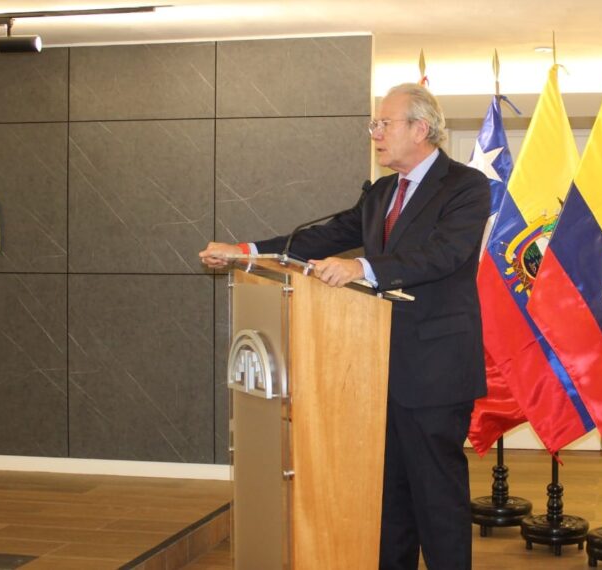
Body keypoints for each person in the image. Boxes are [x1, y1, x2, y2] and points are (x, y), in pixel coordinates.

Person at [200, 82, 490, 569]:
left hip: (435, 370)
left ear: (421, 129)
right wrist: (248, 251)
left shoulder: (465, 185)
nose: (374, 133)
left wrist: (364, 269)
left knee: (437, 498)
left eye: (383, 123)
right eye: (374, 124)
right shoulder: (380, 192)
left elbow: (445, 254)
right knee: (388, 497)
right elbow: (327, 235)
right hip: (373, 366)